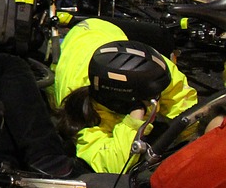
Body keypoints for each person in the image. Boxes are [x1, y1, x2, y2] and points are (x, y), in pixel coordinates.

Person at [53, 20, 196, 174]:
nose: (158, 98)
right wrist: (134, 121)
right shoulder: (82, 112)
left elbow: (185, 102)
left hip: (104, 29)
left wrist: (195, 141)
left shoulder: (156, 70)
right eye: (153, 97)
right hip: (76, 43)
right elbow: (113, 165)